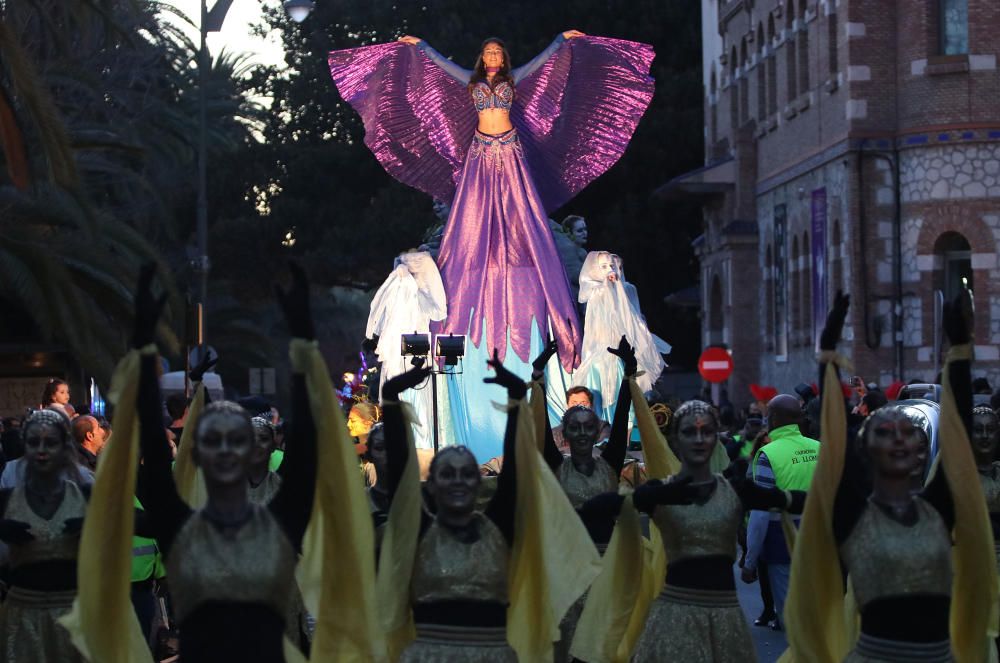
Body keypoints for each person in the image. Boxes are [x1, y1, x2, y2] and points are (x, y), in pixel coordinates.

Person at [328, 31, 655, 455]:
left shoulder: (515, 80)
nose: (495, 57)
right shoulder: (471, 82)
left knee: (522, 212)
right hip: (481, 153)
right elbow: (441, 69)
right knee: (474, 214)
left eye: (499, 51)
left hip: (510, 151)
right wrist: (420, 47)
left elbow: (541, 65)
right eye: (489, 53)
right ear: (482, 58)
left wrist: (560, 42)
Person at [784, 291, 997, 661]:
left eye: (907, 433)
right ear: (866, 450)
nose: (898, 438)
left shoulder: (937, 510)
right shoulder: (853, 516)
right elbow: (834, 442)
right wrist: (828, 353)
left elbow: (959, 436)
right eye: (885, 432)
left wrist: (960, 351)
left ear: (920, 452)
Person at [133, 263, 317, 662]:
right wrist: (143, 346)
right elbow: (150, 432)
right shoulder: (179, 527)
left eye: (237, 439)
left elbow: (306, 446)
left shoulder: (281, 521)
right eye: (214, 440)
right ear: (196, 454)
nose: (228, 450)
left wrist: (304, 339)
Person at [628, 398, 805, 661]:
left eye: (707, 431)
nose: (699, 439)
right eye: (689, 431)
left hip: (726, 622)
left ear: (716, 439)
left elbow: (803, 500)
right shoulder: (659, 492)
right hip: (673, 621)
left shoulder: (736, 490)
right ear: (675, 439)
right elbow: (599, 509)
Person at [0, 409, 90, 661]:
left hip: (76, 615)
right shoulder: (7, 498)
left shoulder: (85, 493)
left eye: (50, 443)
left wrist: (94, 529)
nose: (41, 450)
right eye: (33, 442)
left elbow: (130, 526)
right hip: (23, 616)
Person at [741, 392, 820, 630]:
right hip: (821, 540)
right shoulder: (820, 448)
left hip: (782, 542)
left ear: (773, 418)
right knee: (817, 613)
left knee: (791, 619)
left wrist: (750, 560)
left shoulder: (768, 454)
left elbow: (760, 512)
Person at [573, 252, 669, 423]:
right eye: (604, 266)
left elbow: (632, 316)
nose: (611, 270)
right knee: (601, 382)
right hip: (601, 351)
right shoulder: (596, 293)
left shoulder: (626, 289)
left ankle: (627, 425)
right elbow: (595, 328)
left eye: (613, 266)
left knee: (626, 380)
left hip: (622, 349)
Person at [366, 251, 447, 451]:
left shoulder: (400, 282)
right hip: (411, 347)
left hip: (404, 349)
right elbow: (439, 310)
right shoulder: (407, 285)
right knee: (417, 401)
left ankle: (417, 447)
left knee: (412, 400)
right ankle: (420, 448)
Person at [552, 385, 612, 454]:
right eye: (574, 403)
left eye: (583, 403)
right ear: (567, 406)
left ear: (591, 406)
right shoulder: (556, 432)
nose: (578, 406)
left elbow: (603, 449)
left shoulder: (602, 428)